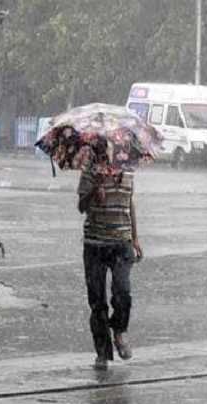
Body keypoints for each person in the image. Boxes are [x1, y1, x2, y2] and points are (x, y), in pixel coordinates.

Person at [77, 137, 143, 370]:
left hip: (121, 242)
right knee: (97, 301)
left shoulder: (129, 170)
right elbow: (81, 206)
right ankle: (102, 353)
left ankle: (120, 331)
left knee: (123, 292)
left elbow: (129, 203)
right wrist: (94, 191)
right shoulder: (90, 170)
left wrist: (135, 238)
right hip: (95, 243)